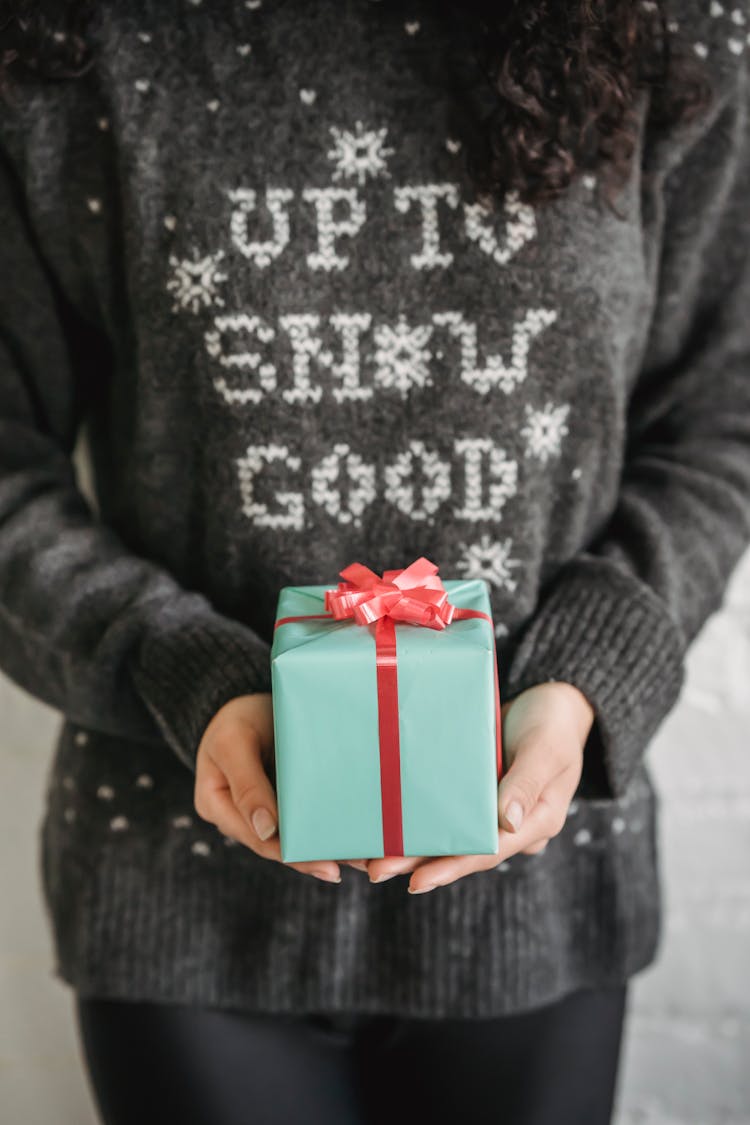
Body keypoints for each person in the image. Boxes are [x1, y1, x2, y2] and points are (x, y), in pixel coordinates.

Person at [0, 1, 748, 1122]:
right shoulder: (66, 42)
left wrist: (591, 674)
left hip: (541, 895)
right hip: (183, 897)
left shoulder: (675, 33)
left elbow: (715, 416)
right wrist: (178, 666)